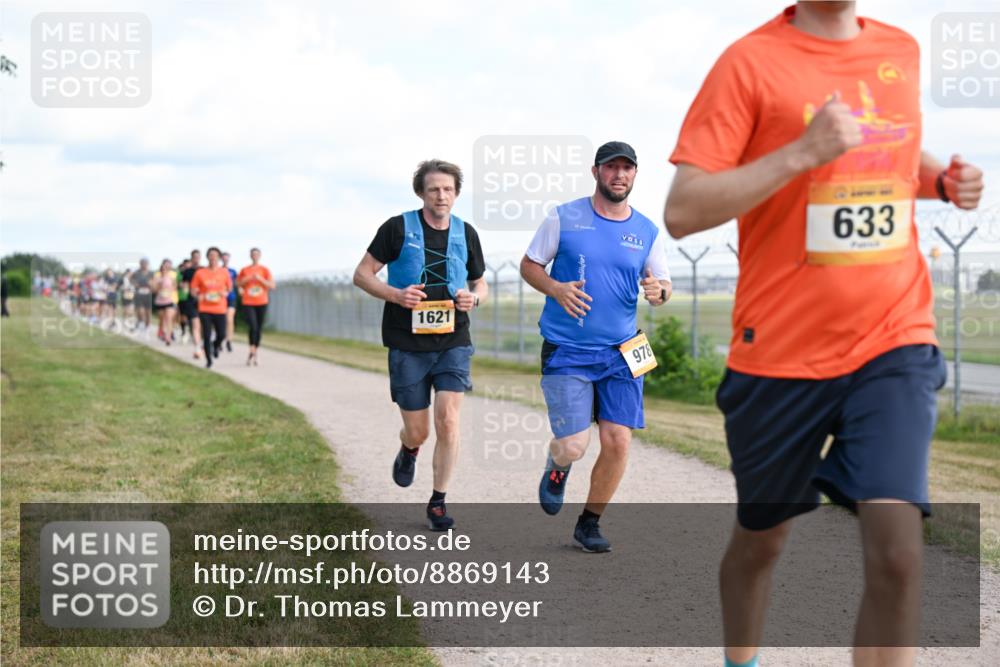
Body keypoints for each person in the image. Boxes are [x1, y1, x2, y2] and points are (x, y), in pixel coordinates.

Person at [663, 3, 985, 666]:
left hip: (894, 334)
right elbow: (683, 210)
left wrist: (940, 182)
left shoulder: (901, 49)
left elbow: (884, 145)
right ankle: (739, 658)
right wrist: (803, 151)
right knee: (762, 541)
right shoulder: (748, 63)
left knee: (897, 553)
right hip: (778, 353)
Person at [520, 141, 672, 553]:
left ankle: (589, 523)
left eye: (627, 168)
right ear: (596, 172)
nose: (619, 175)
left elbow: (662, 285)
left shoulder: (646, 230)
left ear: (635, 174)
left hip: (624, 351)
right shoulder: (564, 216)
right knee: (573, 444)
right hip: (567, 348)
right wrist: (554, 287)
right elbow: (530, 264)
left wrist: (660, 291)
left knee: (618, 441)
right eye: (611, 167)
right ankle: (558, 465)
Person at [353, 159, 488, 531]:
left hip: (454, 340)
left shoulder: (467, 232)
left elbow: (481, 283)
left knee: (448, 420)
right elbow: (362, 275)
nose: (441, 195)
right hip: (407, 343)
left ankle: (438, 502)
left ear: (456, 193)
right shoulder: (397, 228)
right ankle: (409, 448)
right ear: (421, 193)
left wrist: (473, 299)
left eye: (448, 189)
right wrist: (396, 295)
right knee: (420, 430)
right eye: (433, 189)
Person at [190, 247, 232, 369]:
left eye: (215, 255)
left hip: (220, 307)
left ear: (219, 258)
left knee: (222, 334)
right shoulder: (200, 273)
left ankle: (215, 345)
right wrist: (198, 295)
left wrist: (225, 293)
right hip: (205, 308)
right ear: (207, 257)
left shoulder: (224, 272)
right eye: (211, 255)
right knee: (207, 335)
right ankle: (209, 360)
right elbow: (193, 290)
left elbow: (229, 288)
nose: (213, 257)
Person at [237, 247, 276, 366]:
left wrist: (260, 279)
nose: (255, 256)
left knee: (258, 327)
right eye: (253, 254)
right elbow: (238, 284)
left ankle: (255, 351)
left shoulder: (264, 270)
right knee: (252, 326)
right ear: (250, 256)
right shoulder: (245, 270)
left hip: (261, 301)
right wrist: (248, 279)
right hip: (248, 301)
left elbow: (272, 286)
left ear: (260, 256)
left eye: (257, 254)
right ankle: (251, 349)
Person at [179, 250, 203, 359]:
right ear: (192, 258)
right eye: (194, 257)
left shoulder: (204, 270)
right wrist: (184, 287)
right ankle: (197, 348)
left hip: (204, 301)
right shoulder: (187, 271)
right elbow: (183, 284)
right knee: (195, 324)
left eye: (198, 257)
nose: (196, 259)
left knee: (203, 325)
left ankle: (203, 343)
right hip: (191, 300)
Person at [152, 259, 179, 345]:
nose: (164, 270)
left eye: (166, 268)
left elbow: (175, 287)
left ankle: (168, 337)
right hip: (160, 301)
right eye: (163, 268)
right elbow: (154, 290)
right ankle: (161, 332)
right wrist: (159, 287)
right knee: (162, 319)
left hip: (169, 300)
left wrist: (170, 291)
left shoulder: (171, 277)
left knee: (169, 318)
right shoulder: (157, 277)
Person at [221, 251, 238, 353]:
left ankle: (229, 340)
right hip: (219, 299)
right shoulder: (218, 270)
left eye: (227, 258)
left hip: (231, 298)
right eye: (223, 258)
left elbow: (237, 283)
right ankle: (220, 338)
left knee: (230, 319)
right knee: (221, 320)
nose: (225, 259)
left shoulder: (233, 271)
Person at [131, 258, 154, 333]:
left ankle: (147, 326)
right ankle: (141, 322)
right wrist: (135, 284)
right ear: (140, 264)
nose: (144, 265)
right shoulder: (136, 273)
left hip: (148, 294)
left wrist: (152, 285)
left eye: (146, 264)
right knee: (140, 311)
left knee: (148, 312)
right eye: (142, 263)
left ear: (148, 264)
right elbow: (131, 280)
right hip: (139, 294)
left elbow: (155, 282)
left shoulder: (151, 273)